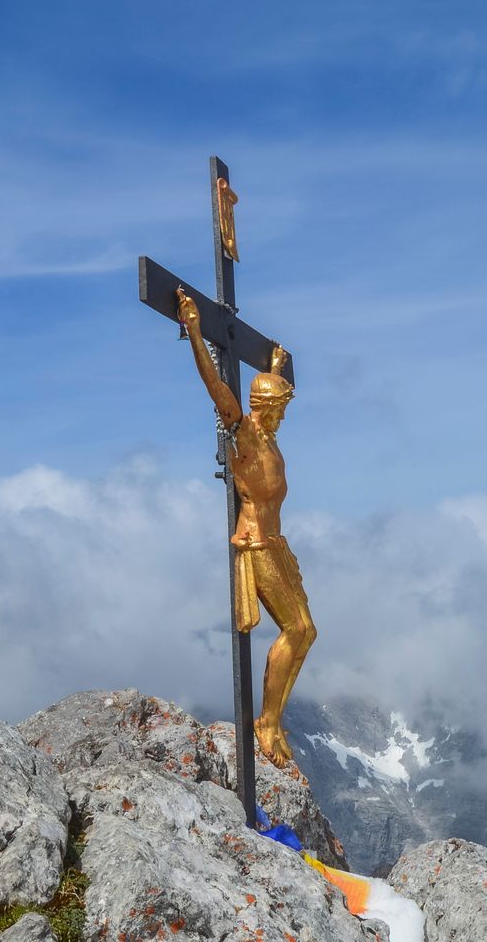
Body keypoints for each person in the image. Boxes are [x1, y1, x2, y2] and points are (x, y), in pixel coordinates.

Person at [177, 288, 315, 767]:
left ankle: (273, 717)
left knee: (307, 631)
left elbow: (267, 393)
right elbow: (217, 386)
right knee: (296, 628)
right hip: (255, 543)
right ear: (264, 408)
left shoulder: (270, 438)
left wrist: (275, 368)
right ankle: (267, 722)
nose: (282, 416)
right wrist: (196, 330)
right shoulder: (245, 430)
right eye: (278, 409)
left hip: (276, 543)